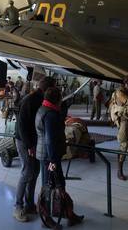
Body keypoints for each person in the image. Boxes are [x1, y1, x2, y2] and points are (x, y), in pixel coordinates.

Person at [35, 87, 84, 226]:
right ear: (57, 99)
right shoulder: (50, 115)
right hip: (49, 157)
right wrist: (53, 161)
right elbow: (50, 139)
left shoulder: (43, 109)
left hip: (47, 154)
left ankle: (68, 213)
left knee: (58, 185)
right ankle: (47, 220)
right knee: (49, 188)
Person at [13, 76, 56, 222]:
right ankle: (18, 206)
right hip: (25, 142)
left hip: (34, 142)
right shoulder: (30, 100)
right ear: (48, 89)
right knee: (27, 172)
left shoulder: (40, 99)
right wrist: (30, 145)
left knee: (35, 172)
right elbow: (22, 125)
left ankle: (30, 204)